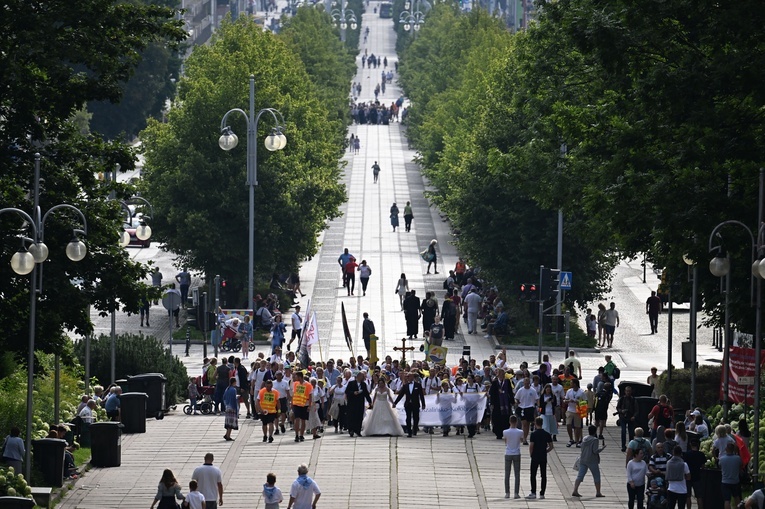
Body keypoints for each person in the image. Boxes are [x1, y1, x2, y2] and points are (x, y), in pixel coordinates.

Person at [572, 425, 605, 498]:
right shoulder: (595, 440)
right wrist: (602, 448)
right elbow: (595, 451)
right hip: (592, 460)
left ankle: (575, 490)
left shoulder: (584, 438)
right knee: (596, 475)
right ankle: (598, 492)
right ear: (595, 431)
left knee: (580, 475)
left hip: (583, 459)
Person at [393, 371, 426, 437]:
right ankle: (409, 432)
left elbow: (421, 395)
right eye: (407, 377)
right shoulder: (405, 386)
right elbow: (401, 395)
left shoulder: (418, 385)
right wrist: (395, 403)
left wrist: (423, 404)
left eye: (409, 376)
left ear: (413, 377)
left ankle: (414, 429)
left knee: (416, 418)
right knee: (408, 418)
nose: (408, 378)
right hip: (408, 404)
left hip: (415, 404)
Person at [527, 416, 553, 500]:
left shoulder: (533, 434)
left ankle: (533, 492)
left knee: (533, 474)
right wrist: (546, 451)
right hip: (543, 456)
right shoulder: (547, 434)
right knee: (543, 475)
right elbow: (551, 446)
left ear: (535, 423)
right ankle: (542, 493)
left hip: (535, 456)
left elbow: (531, 446)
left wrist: (531, 454)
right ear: (542, 423)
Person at [345, 372, 372, 437]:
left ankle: (358, 430)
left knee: (359, 417)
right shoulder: (351, 383)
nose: (363, 378)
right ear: (358, 376)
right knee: (352, 417)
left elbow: (366, 393)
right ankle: (351, 430)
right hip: (352, 403)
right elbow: (347, 391)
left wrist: (370, 401)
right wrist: (353, 393)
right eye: (362, 376)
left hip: (360, 403)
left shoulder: (363, 384)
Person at [503, 415, 524, 499]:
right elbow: (522, 440)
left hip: (508, 453)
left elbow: (506, 442)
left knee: (507, 474)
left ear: (509, 422)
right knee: (517, 474)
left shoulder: (505, 432)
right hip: (516, 453)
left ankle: (507, 492)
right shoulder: (520, 432)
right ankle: (516, 493)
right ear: (516, 422)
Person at [514, 376, 538, 444]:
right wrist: (517, 402)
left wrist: (538, 407)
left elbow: (536, 399)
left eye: (528, 381)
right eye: (525, 381)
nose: (526, 383)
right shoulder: (520, 390)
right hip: (522, 408)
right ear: (523, 382)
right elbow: (516, 398)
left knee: (527, 424)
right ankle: (524, 438)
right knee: (524, 423)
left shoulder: (533, 390)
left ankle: (525, 437)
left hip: (530, 408)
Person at [291, 371, 313, 442]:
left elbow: (310, 396)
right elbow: (294, 394)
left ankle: (301, 435)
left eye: (296, 376)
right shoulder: (295, 384)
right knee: (297, 419)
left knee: (303, 420)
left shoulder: (308, 385)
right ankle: (296, 435)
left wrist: (309, 405)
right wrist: (292, 403)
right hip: (296, 404)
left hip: (304, 404)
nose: (295, 378)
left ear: (300, 377)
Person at [564, 378, 586, 447]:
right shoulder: (569, 391)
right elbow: (565, 400)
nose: (570, 384)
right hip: (570, 409)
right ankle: (571, 439)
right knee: (568, 424)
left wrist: (578, 402)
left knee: (577, 426)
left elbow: (586, 402)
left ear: (575, 384)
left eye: (571, 383)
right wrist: (568, 401)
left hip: (578, 411)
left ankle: (577, 441)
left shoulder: (581, 392)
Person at [719, 442, 742, 509]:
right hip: (735, 481)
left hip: (725, 481)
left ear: (726, 449)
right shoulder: (738, 458)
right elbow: (740, 467)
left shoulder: (722, 459)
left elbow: (720, 466)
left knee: (727, 500)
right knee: (736, 497)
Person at [257, 379, 280, 443]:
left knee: (271, 423)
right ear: (265, 385)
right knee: (264, 424)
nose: (268, 388)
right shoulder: (262, 391)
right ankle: (265, 435)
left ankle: (270, 436)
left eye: (270, 386)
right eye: (267, 386)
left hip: (272, 411)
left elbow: (278, 402)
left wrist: (279, 411)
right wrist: (260, 409)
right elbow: (257, 401)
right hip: (263, 411)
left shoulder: (275, 392)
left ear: (272, 386)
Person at [617, 385, 639, 452]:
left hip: (630, 418)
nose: (628, 392)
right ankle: (623, 446)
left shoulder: (633, 400)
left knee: (631, 433)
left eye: (629, 391)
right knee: (623, 431)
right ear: (625, 392)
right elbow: (618, 407)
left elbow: (637, 410)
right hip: (623, 418)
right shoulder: (622, 399)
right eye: (627, 391)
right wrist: (621, 411)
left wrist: (634, 416)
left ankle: (631, 446)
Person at [223, 377, 238, 441]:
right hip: (232, 407)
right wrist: (236, 410)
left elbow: (224, 398)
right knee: (231, 423)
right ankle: (228, 436)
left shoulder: (227, 389)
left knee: (228, 422)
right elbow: (234, 400)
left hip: (227, 407)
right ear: (234, 382)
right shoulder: (233, 390)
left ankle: (227, 434)